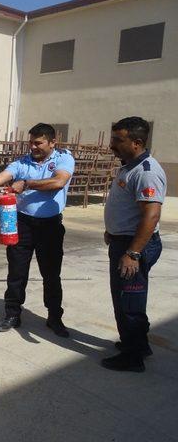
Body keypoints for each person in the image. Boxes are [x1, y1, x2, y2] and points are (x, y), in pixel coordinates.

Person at [0, 123, 75, 337]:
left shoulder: (63, 158)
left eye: (38, 143)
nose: (33, 147)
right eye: (31, 142)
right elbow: (0, 178)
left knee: (51, 274)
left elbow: (59, 182)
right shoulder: (22, 162)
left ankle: (54, 317)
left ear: (52, 142)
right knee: (16, 272)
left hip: (50, 226)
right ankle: (12, 314)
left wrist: (27, 183)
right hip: (22, 224)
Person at [102, 117, 166, 373]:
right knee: (125, 298)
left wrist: (132, 252)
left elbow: (151, 215)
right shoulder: (129, 166)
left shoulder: (146, 172)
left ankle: (133, 357)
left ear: (137, 143)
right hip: (123, 241)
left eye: (118, 140)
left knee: (129, 301)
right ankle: (138, 345)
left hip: (134, 246)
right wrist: (112, 231)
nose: (111, 145)